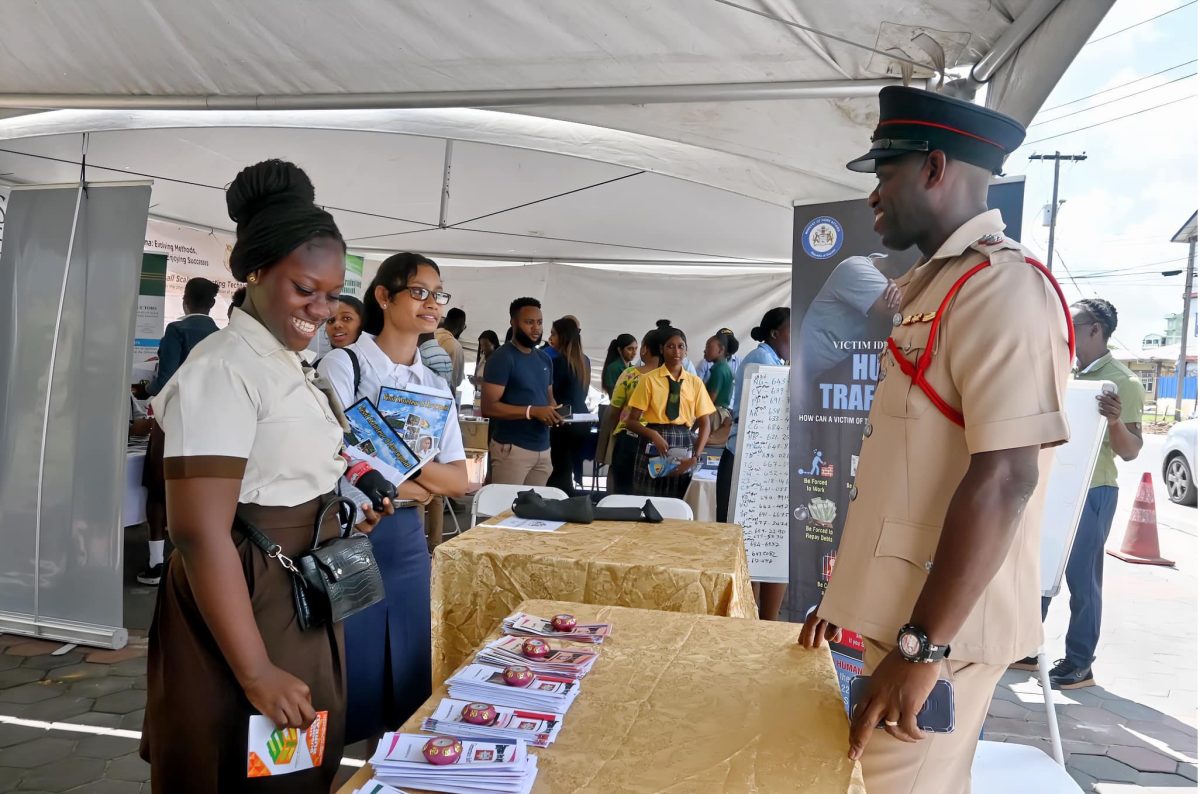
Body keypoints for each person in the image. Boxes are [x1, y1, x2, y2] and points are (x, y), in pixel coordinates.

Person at [797, 86, 1072, 793]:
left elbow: (1006, 479)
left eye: (884, 174)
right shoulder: (936, 287)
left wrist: (924, 647)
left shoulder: (1002, 289)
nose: (873, 196)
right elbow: (908, 472)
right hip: (900, 619)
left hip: (934, 636)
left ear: (934, 168)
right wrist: (849, 597)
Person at [139, 158, 392, 792]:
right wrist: (254, 671)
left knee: (293, 766)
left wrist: (346, 499)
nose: (321, 308)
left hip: (294, 588)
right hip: (246, 591)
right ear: (255, 272)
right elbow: (199, 533)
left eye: (332, 294)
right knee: (242, 766)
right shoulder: (224, 368)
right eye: (304, 288)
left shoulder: (286, 358)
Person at [319, 250, 468, 743]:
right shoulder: (345, 364)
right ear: (383, 296)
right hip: (351, 532)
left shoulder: (433, 384)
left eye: (438, 294)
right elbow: (336, 452)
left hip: (405, 539)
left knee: (409, 666)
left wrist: (391, 458)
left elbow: (459, 481)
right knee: (347, 665)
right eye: (419, 291)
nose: (432, 303)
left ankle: (390, 771)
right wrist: (418, 477)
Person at [1012, 298, 1145, 689]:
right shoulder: (1067, 372)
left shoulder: (1123, 381)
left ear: (1095, 329)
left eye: (1074, 323)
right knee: (1040, 568)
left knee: (1082, 581)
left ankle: (1079, 662)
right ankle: (1025, 646)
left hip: (1094, 492)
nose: (1066, 330)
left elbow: (1131, 450)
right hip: (1056, 485)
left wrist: (1116, 420)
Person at [136, 276, 221, 586]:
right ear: (212, 305)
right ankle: (195, 562)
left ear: (185, 300)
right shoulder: (221, 336)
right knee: (201, 491)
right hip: (210, 425)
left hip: (173, 421)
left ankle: (156, 564)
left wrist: (144, 387)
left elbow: (165, 381)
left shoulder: (176, 330)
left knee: (158, 491)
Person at [716, 308, 791, 620]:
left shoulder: (775, 361)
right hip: (747, 467)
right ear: (774, 333)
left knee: (764, 547)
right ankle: (750, 618)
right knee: (748, 546)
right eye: (792, 328)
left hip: (761, 467)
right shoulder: (761, 361)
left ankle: (762, 620)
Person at [624, 327, 714, 499]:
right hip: (653, 444)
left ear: (686, 351)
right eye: (670, 346)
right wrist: (653, 435)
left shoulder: (695, 383)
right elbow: (631, 421)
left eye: (681, 346)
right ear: (661, 349)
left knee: (677, 499)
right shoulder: (648, 380)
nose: (676, 351)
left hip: (683, 443)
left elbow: (705, 423)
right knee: (648, 498)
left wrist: (695, 456)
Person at [481, 297, 563, 485]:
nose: (536, 328)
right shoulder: (502, 358)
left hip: (543, 448)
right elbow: (488, 407)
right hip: (512, 448)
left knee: (533, 511)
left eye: (540, 322)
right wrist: (531, 411)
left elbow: (549, 399)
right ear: (513, 322)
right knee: (504, 511)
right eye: (529, 322)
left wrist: (555, 413)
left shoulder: (544, 359)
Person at [604, 329, 663, 494]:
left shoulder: (630, 374)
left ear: (644, 349)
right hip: (661, 442)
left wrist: (614, 430)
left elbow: (615, 408)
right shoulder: (670, 378)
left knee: (623, 492)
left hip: (630, 439)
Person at [548, 317, 592, 495]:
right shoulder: (584, 361)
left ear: (562, 336)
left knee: (559, 469)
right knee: (567, 466)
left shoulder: (556, 362)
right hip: (582, 419)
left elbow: (551, 394)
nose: (550, 338)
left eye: (553, 334)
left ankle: (562, 504)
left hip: (563, 418)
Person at [436, 307, 468, 399]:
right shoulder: (456, 346)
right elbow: (457, 381)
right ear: (462, 327)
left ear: (445, 321)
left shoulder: (429, 336)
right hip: (442, 397)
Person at [703, 332, 738, 412]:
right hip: (723, 412)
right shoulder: (726, 368)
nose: (705, 350)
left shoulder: (718, 370)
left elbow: (710, 400)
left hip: (714, 413)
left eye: (708, 347)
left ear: (721, 350)